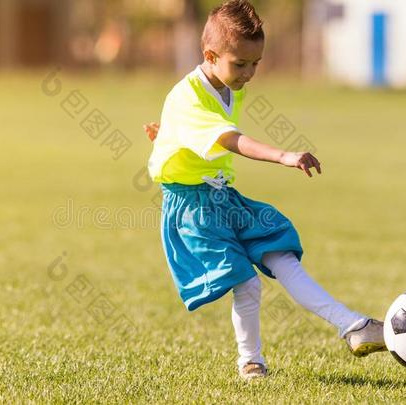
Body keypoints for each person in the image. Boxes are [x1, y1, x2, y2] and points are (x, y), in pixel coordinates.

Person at [144, 0, 386, 381]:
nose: (250, 73)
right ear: (209, 55)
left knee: (280, 251)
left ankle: (354, 326)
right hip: (192, 207)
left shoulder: (228, 84)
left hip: (223, 197)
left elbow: (196, 132)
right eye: (241, 64)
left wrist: (168, 138)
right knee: (248, 282)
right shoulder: (188, 96)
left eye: (256, 63)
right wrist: (284, 155)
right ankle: (250, 361)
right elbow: (232, 140)